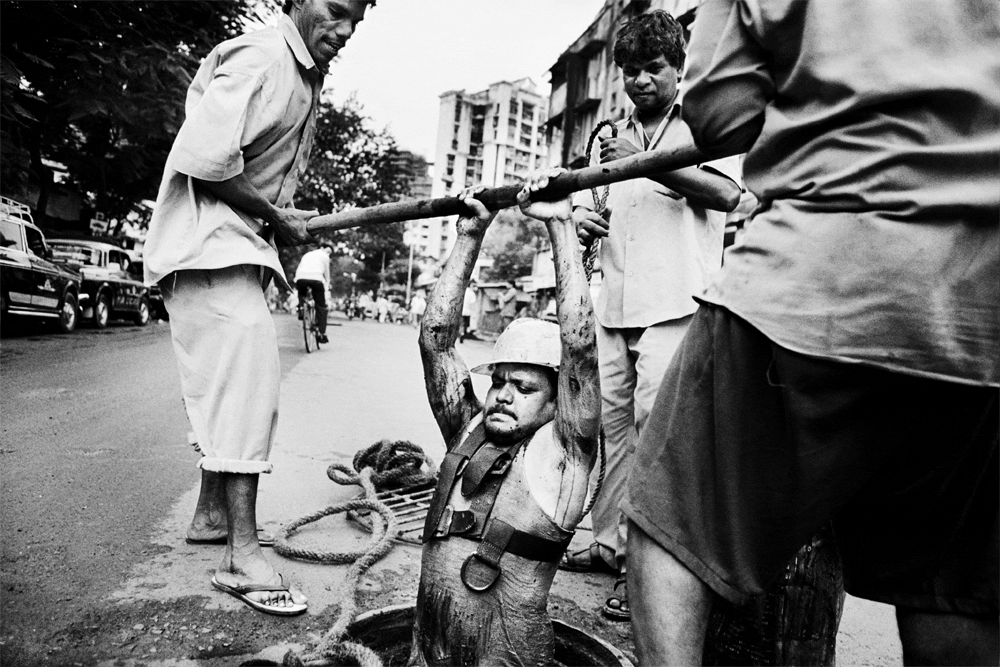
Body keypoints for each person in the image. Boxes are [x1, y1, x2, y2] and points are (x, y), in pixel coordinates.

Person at [623, 0, 999, 664]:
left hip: (819, 266)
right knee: (951, 586)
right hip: (981, 300)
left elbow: (720, 116)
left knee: (670, 516)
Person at [143, 0, 373, 616]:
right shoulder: (262, 56)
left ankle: (212, 515)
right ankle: (242, 551)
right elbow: (207, 158)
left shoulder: (301, 72)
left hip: (232, 245)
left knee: (228, 386)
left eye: (357, 19)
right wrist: (276, 216)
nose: (344, 30)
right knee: (248, 389)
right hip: (204, 246)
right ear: (297, 1)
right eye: (334, 10)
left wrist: (274, 222)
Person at [563, 9, 741, 622]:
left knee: (660, 437)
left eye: (654, 68)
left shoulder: (703, 124)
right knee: (612, 431)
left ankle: (648, 570)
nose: (641, 80)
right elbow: (599, 206)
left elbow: (727, 195)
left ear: (679, 65)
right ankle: (606, 546)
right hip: (615, 303)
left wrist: (647, 158)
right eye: (631, 70)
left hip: (676, 302)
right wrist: (585, 221)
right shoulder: (607, 133)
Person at [408, 173, 600, 666]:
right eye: (499, 382)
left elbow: (579, 349)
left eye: (525, 387)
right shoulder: (469, 430)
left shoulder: (564, 458)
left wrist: (560, 225)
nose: (503, 396)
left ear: (558, 401)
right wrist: (469, 236)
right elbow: (435, 339)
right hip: (427, 649)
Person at [294, 240, 332, 343]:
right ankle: (322, 333)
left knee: (302, 293)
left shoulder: (307, 254)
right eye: (328, 251)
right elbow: (326, 274)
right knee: (321, 306)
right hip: (316, 280)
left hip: (300, 278)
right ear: (322, 248)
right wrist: (328, 284)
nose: (328, 254)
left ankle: (302, 307)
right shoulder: (325, 257)